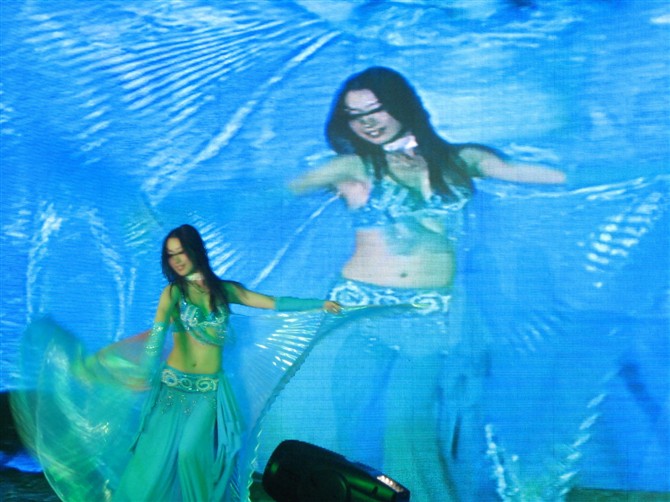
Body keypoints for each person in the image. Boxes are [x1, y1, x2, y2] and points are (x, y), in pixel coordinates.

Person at [286, 66, 566, 501]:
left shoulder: (461, 160)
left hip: (427, 311)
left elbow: (542, 176)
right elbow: (274, 194)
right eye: (355, 116)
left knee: (410, 423)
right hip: (356, 307)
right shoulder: (353, 166)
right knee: (344, 414)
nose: (368, 123)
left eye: (377, 110)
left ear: (402, 105)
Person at [11, 223, 341, 502]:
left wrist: (319, 304)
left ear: (195, 251)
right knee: (153, 460)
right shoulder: (173, 294)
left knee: (190, 454)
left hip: (208, 391)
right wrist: (144, 372)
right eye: (170, 255)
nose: (177, 260)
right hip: (171, 389)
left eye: (180, 252)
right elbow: (157, 335)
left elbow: (273, 303)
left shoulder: (225, 291)